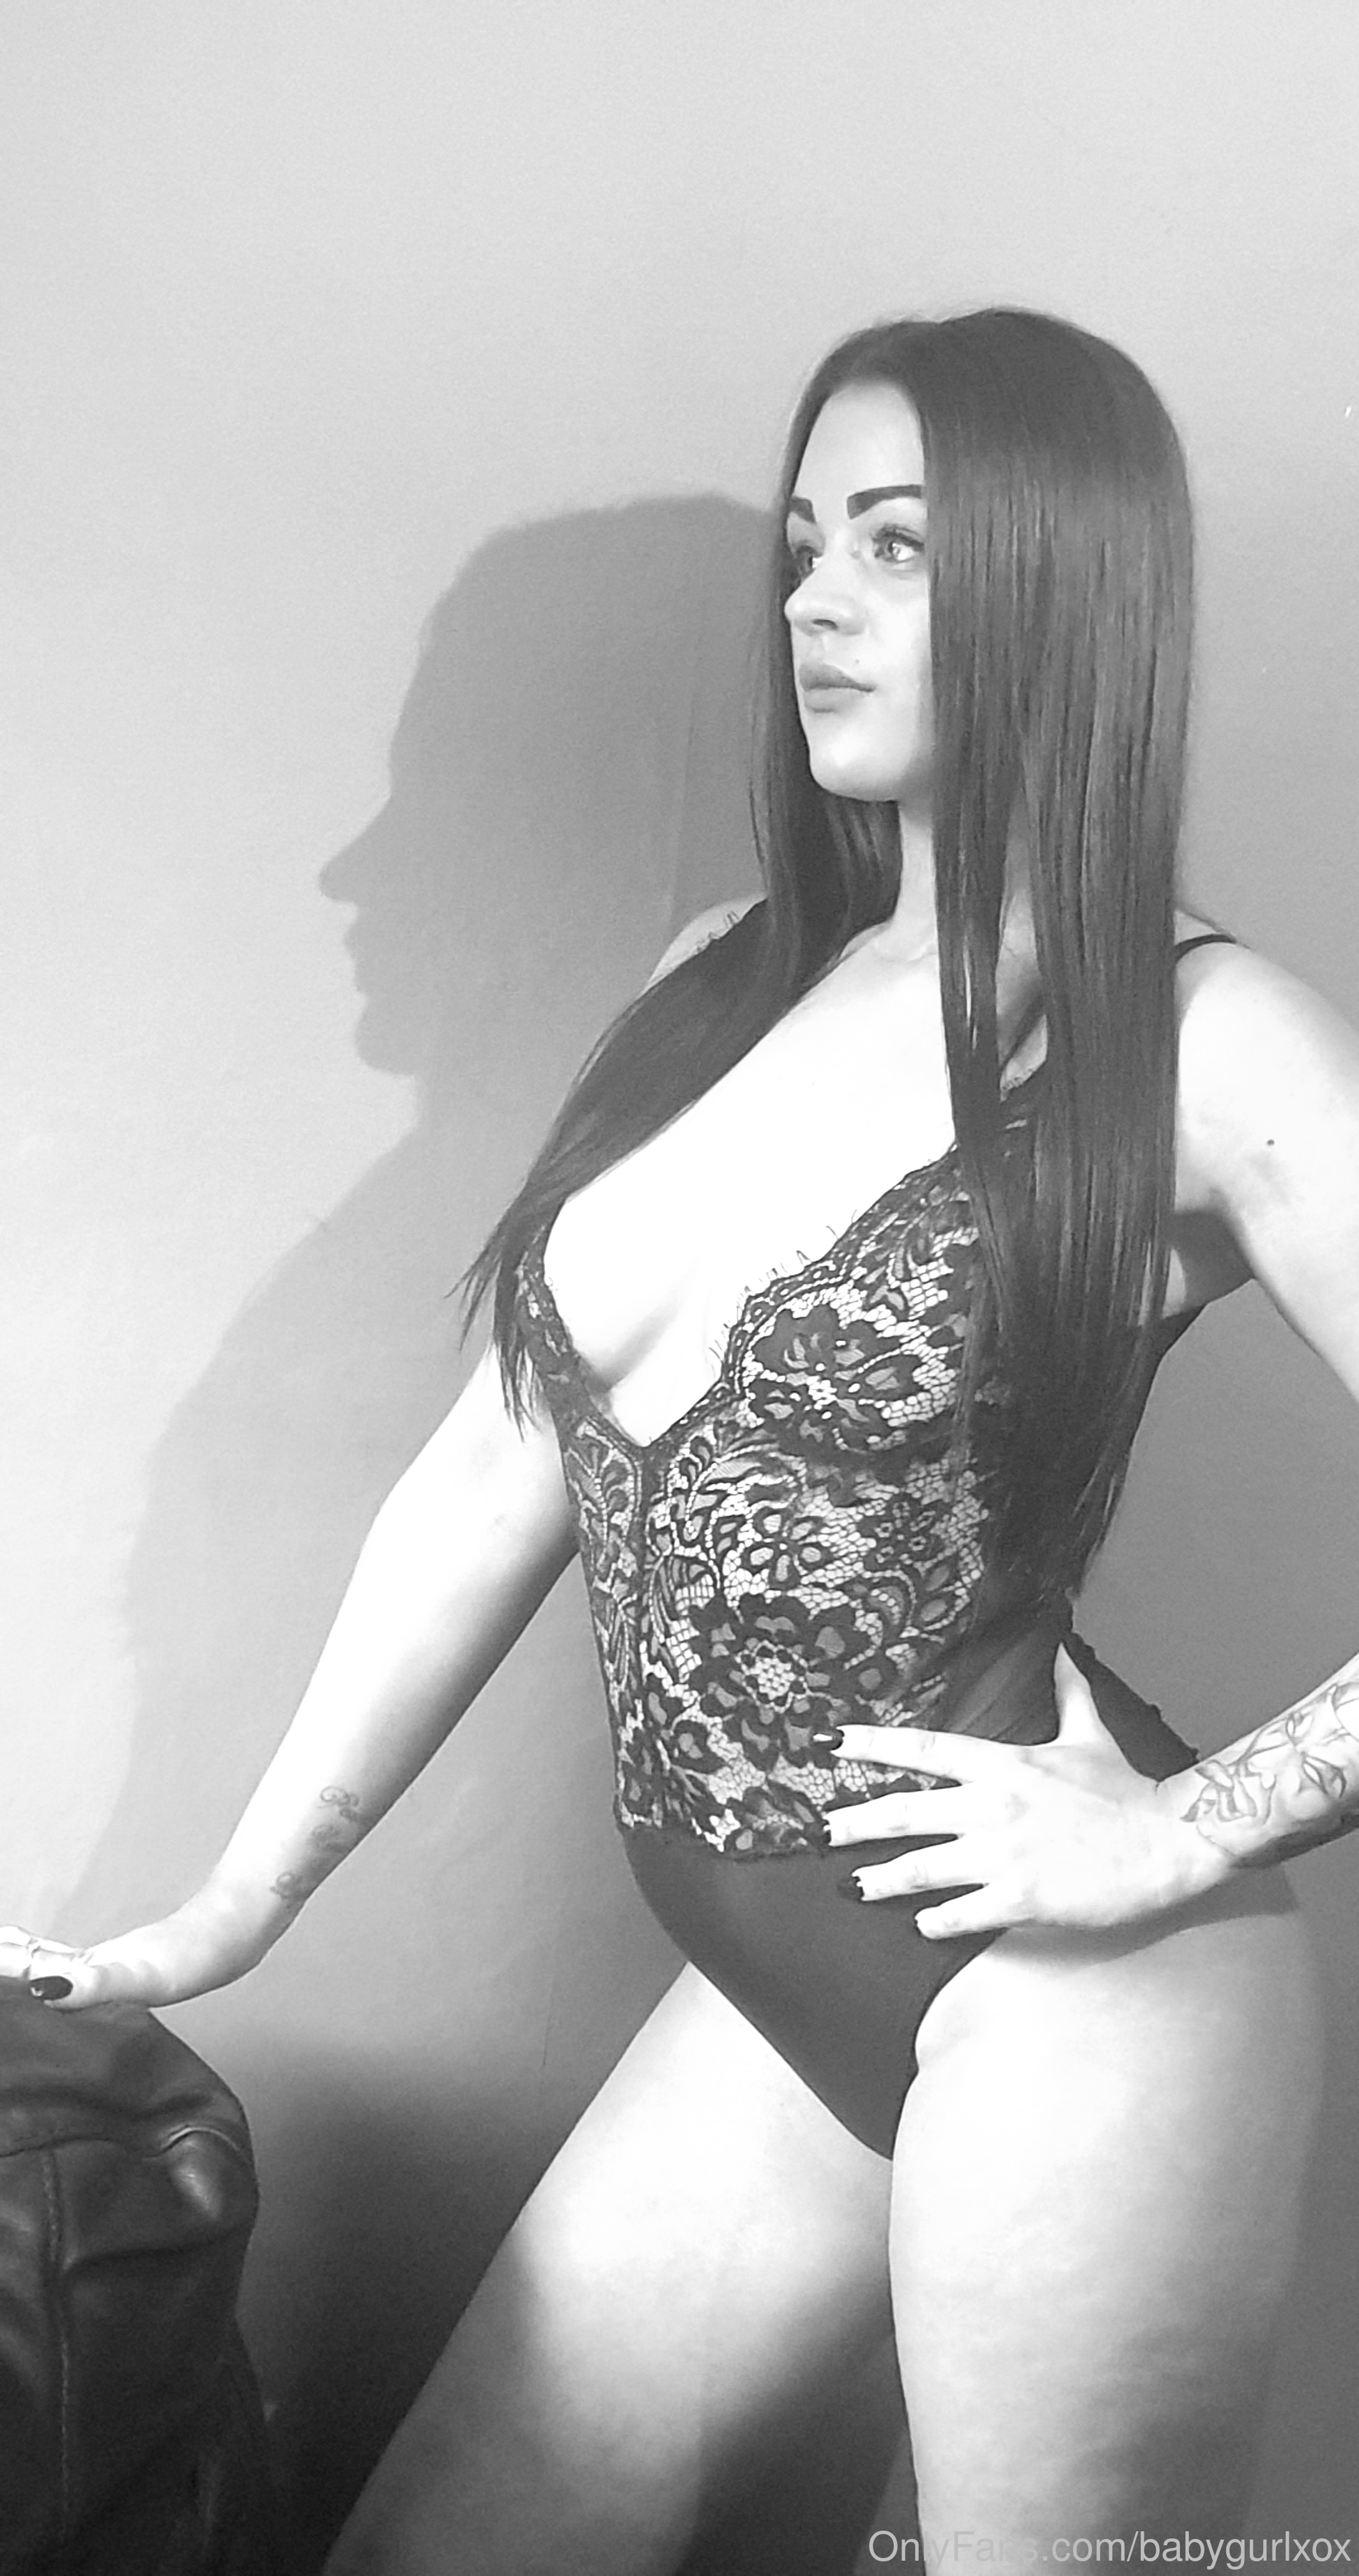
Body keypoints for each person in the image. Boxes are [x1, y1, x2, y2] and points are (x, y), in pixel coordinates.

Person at [5, 307, 1358, 2566]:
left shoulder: (1203, 1047)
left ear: (1063, 581)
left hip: (1077, 2012)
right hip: (773, 1995)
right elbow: (491, 1473)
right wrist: (234, 1903)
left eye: (896, 545)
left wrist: (1186, 1835)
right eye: (805, 543)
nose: (815, 600)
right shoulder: (720, 974)